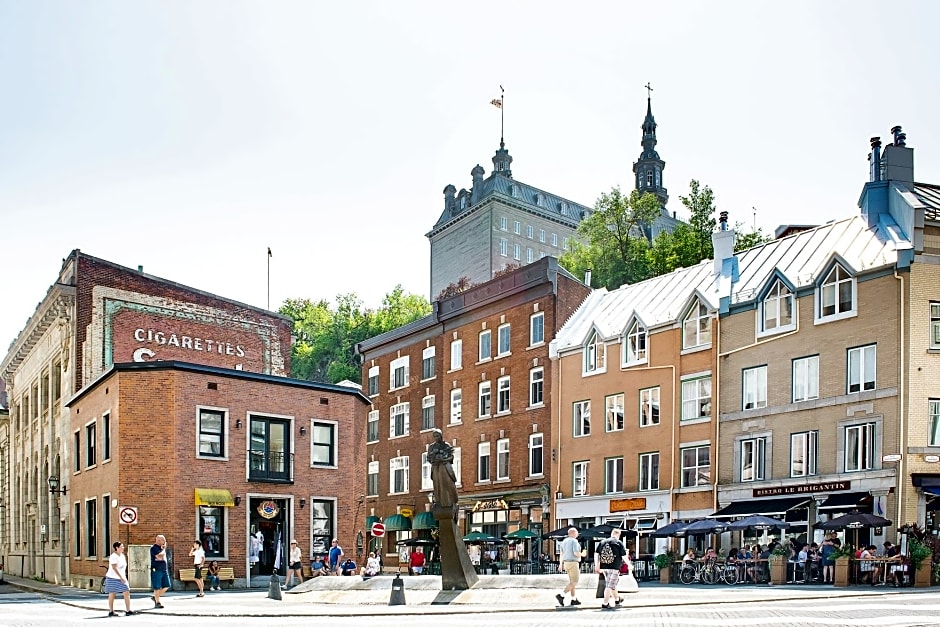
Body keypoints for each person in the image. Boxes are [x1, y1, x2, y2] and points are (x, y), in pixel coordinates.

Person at [428, 429, 459, 519]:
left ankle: (450, 501)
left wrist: (443, 459)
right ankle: (438, 501)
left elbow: (451, 456)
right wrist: (434, 459)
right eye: (435, 436)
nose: (436, 438)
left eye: (438, 436)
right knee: (437, 484)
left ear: (441, 436)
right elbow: (429, 458)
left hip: (444, 467)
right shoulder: (431, 447)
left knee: (446, 483)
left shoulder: (446, 445)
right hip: (435, 467)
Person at [593, 528, 626, 609]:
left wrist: (596, 565)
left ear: (612, 533)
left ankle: (617, 599)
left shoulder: (603, 542)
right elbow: (624, 556)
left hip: (604, 567)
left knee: (611, 584)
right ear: (618, 535)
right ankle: (605, 603)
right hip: (614, 567)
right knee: (609, 585)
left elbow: (596, 554)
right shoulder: (618, 542)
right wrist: (629, 565)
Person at [104, 541, 136, 616]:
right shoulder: (113, 556)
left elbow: (123, 568)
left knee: (126, 591)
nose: (123, 548)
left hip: (122, 577)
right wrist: (121, 577)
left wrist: (123, 577)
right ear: (117, 548)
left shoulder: (122, 556)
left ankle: (128, 610)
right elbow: (114, 568)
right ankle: (111, 611)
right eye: (121, 546)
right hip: (112, 577)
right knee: (112, 593)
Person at [555, 527, 584, 607]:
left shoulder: (564, 542)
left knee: (572, 582)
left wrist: (560, 564)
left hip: (566, 563)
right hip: (573, 562)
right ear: (573, 533)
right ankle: (561, 595)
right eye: (577, 533)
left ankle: (574, 599)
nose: (577, 534)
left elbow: (561, 554)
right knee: (575, 581)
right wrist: (582, 554)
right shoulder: (574, 541)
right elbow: (576, 553)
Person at [150, 534, 170, 609]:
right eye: (163, 540)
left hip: (164, 570)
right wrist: (164, 549)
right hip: (156, 569)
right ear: (158, 540)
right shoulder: (154, 548)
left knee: (167, 585)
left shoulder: (161, 548)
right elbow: (159, 556)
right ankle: (158, 602)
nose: (164, 542)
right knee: (157, 587)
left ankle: (155, 597)